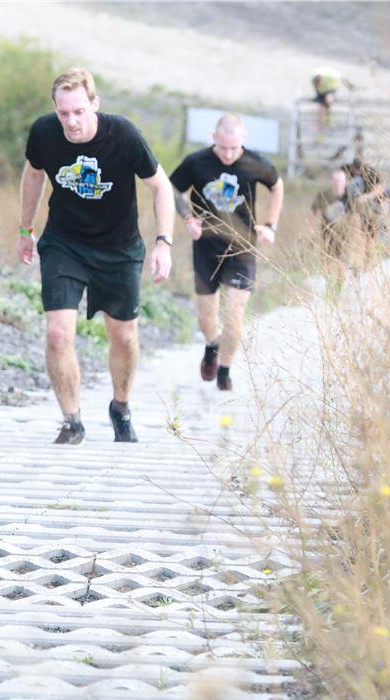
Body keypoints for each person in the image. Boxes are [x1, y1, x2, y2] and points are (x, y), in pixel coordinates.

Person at [18, 67, 174, 445]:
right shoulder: (44, 132)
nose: (71, 121)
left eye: (79, 112)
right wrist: (25, 229)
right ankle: (72, 421)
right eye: (63, 113)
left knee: (123, 337)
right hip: (65, 242)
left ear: (95, 104)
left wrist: (163, 242)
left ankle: (121, 406)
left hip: (118, 247)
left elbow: (160, 187)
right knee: (58, 334)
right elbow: (34, 175)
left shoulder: (123, 135)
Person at [169, 114, 284, 392]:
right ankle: (212, 344)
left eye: (234, 148)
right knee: (206, 315)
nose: (229, 154)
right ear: (213, 138)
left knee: (234, 312)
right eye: (223, 148)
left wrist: (270, 225)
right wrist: (188, 218)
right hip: (206, 246)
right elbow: (172, 189)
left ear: (243, 139)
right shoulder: (197, 162)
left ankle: (224, 371)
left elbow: (277, 186)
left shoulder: (256, 163)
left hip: (242, 247)